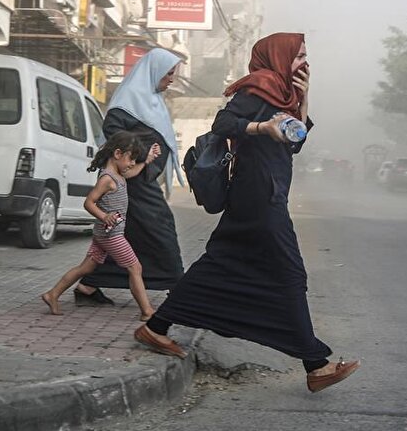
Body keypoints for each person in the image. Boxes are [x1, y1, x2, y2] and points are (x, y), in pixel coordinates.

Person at [134, 32, 359, 393]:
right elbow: (223, 125)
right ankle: (315, 364)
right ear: (278, 56)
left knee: (220, 262)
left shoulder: (284, 91)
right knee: (289, 274)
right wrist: (261, 127)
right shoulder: (260, 86)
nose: (304, 60)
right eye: (299, 54)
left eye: (305, 54)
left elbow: (296, 143)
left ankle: (156, 326)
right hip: (259, 195)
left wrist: (304, 98)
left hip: (265, 193)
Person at [74, 49, 185, 305]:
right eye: (168, 74)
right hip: (130, 183)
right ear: (153, 72)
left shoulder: (151, 100)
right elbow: (114, 136)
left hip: (140, 180)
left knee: (122, 234)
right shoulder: (128, 101)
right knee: (161, 227)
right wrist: (143, 155)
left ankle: (88, 285)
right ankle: (176, 285)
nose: (171, 80)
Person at [41, 131, 160, 319]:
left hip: (104, 234)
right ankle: (147, 311)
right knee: (135, 268)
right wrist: (104, 216)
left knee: (85, 269)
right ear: (118, 154)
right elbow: (89, 202)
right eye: (131, 158)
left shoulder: (119, 175)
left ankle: (52, 294)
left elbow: (134, 171)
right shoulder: (107, 179)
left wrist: (147, 160)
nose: (131, 164)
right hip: (111, 235)